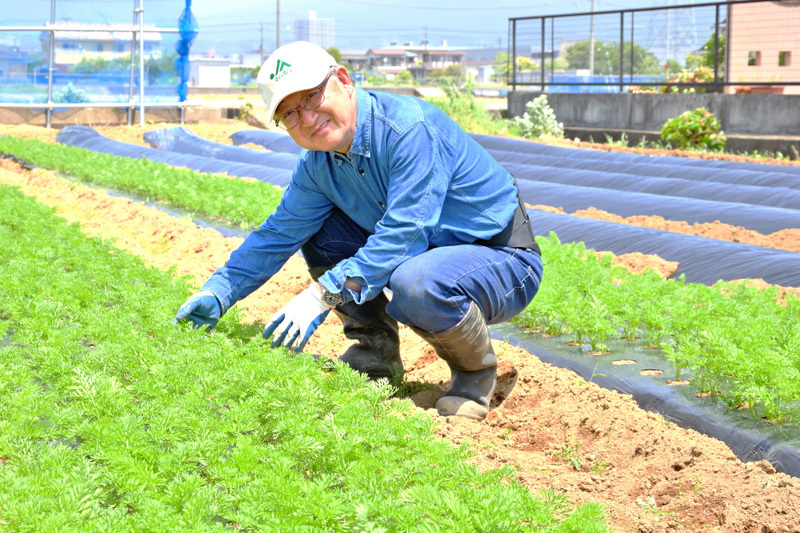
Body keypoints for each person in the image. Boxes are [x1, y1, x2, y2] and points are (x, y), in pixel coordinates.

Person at [173, 41, 543, 421]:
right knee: (319, 233)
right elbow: (278, 233)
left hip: (502, 259)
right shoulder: (318, 164)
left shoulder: (407, 129)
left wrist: (321, 294)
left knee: (415, 282)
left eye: (312, 97)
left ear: (343, 81)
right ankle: (376, 358)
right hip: (429, 254)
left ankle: (473, 375)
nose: (308, 118)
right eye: (290, 114)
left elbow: (405, 234)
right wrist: (218, 291)